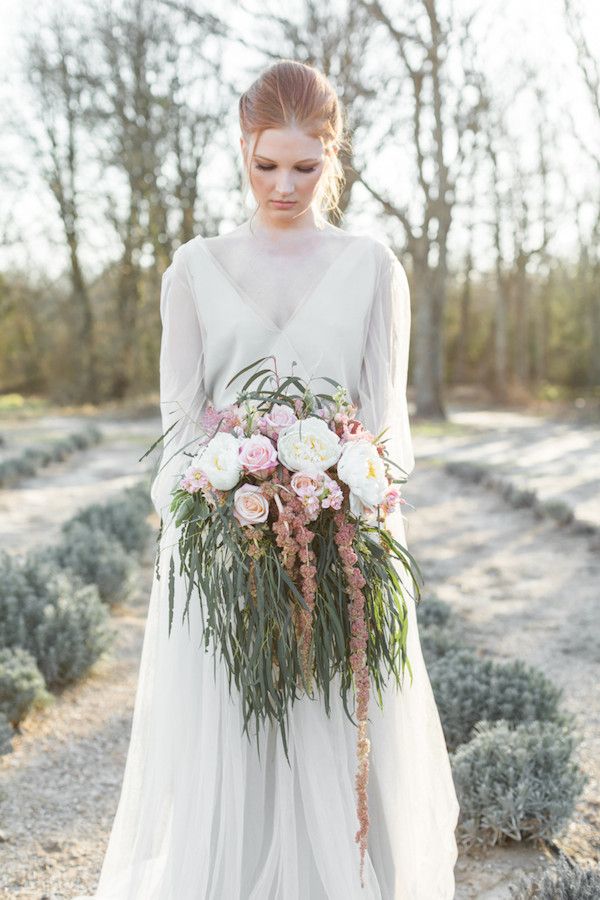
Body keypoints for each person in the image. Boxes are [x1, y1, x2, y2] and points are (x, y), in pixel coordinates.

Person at [75, 59, 459, 900]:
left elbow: (390, 428)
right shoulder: (194, 268)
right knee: (237, 748)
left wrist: (338, 497)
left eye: (304, 165)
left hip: (341, 550)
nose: (283, 185)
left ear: (334, 156)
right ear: (242, 151)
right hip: (227, 548)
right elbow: (179, 425)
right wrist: (224, 510)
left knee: (334, 740)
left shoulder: (372, 267)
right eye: (265, 163)